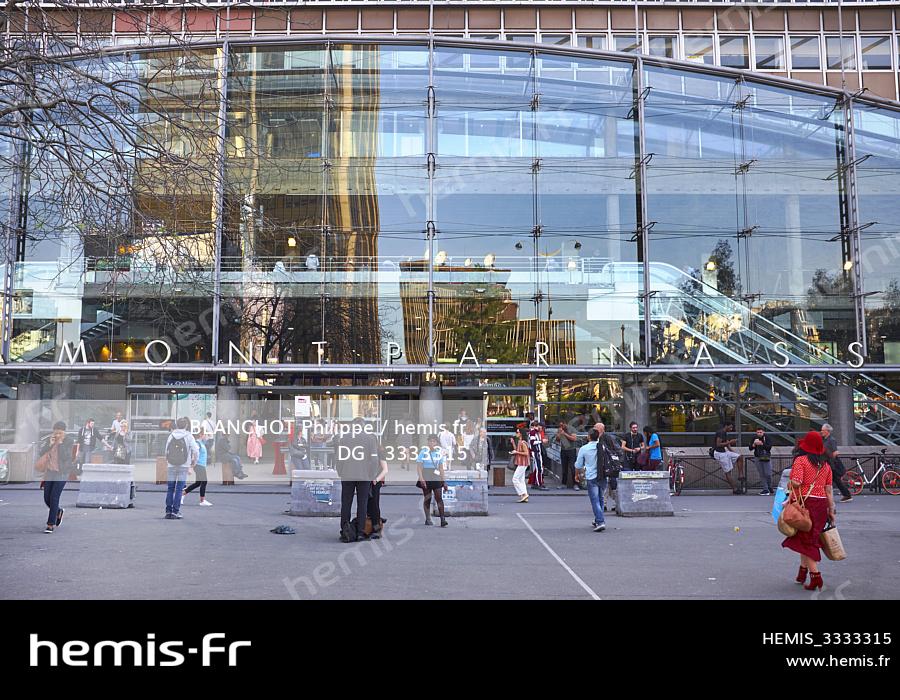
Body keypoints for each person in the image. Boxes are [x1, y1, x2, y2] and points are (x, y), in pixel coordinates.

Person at [782, 430, 836, 591]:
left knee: (807, 541)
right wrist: (831, 510)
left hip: (805, 504)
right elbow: (829, 490)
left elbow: (797, 482)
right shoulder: (826, 465)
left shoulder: (801, 460)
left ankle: (816, 577)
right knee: (807, 538)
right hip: (821, 505)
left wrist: (790, 482)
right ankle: (802, 573)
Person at [335, 417, 380, 542]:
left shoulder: (344, 438)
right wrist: (372, 474)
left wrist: (340, 471)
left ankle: (345, 530)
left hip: (347, 475)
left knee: (346, 503)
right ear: (363, 426)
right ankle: (360, 532)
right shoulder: (370, 439)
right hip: (364, 476)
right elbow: (374, 460)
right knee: (362, 504)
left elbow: (339, 457)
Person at [37, 421, 75, 533]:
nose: (57, 435)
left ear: (64, 432)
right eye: (56, 432)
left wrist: (60, 443)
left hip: (62, 473)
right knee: (47, 498)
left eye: (60, 433)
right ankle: (58, 511)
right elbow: (41, 453)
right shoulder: (51, 439)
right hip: (50, 472)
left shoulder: (68, 441)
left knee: (54, 497)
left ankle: (50, 524)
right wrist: (50, 444)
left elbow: (66, 456)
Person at [164, 417, 199, 520]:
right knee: (179, 489)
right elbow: (196, 450)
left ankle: (168, 511)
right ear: (186, 425)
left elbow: (166, 451)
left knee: (170, 488)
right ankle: (175, 512)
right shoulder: (189, 436)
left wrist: (168, 461)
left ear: (177, 425)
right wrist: (194, 462)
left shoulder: (171, 435)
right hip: (183, 465)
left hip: (171, 465)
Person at [574, 429, 606, 532]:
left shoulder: (584, 449)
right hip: (603, 475)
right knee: (600, 498)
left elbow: (578, 464)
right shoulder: (602, 447)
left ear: (589, 437)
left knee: (595, 500)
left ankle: (600, 521)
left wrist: (577, 475)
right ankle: (598, 519)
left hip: (591, 476)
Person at [416, 434, 449, 526]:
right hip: (426, 474)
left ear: (436, 443)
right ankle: (428, 518)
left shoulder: (439, 453)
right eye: (430, 441)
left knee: (439, 497)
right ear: (428, 442)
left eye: (434, 441)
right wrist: (421, 478)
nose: (431, 443)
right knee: (427, 498)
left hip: (436, 476)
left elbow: (441, 468)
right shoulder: (423, 452)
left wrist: (444, 481)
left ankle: (442, 519)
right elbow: (419, 467)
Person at [821, 423, 852, 503]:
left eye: (823, 430)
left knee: (830, 480)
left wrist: (831, 459)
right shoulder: (824, 440)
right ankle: (846, 495)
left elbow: (836, 452)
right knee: (836, 480)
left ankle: (846, 495)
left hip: (832, 464)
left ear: (827, 431)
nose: (821, 432)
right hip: (828, 463)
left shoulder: (831, 440)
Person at [713, 421, 745, 494]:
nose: (731, 429)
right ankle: (735, 489)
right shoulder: (720, 433)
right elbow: (718, 444)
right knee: (728, 472)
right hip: (719, 453)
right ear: (726, 426)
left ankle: (741, 475)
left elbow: (727, 444)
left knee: (739, 456)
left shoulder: (724, 433)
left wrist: (732, 451)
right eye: (730, 427)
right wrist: (730, 442)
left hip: (724, 452)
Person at [183, 430, 212, 506]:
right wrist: (191, 467)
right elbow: (194, 455)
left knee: (198, 483)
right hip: (198, 465)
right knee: (204, 481)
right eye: (205, 434)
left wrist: (209, 436)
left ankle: (183, 494)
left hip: (201, 465)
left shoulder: (202, 443)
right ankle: (202, 501)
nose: (206, 436)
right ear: (201, 435)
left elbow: (209, 440)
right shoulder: (197, 443)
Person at [749, 427, 774, 496]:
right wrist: (754, 444)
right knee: (762, 473)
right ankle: (765, 489)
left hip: (766, 457)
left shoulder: (767, 437)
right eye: (758, 432)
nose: (759, 434)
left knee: (768, 473)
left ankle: (769, 486)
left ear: (763, 432)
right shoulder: (754, 438)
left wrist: (761, 444)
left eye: (760, 432)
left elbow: (769, 447)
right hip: (757, 457)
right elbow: (750, 448)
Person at [555, 421, 579, 490]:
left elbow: (574, 439)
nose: (561, 427)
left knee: (572, 467)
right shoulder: (560, 429)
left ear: (565, 424)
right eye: (560, 425)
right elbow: (557, 440)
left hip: (571, 450)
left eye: (562, 425)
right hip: (563, 450)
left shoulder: (571, 429)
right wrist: (558, 435)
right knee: (564, 468)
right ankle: (564, 483)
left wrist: (564, 434)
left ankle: (575, 483)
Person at [511, 427, 531, 504]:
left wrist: (516, 452)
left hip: (523, 463)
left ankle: (523, 494)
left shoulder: (523, 442)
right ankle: (524, 496)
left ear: (521, 434)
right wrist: (513, 443)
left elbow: (526, 453)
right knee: (521, 480)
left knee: (515, 479)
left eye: (517, 432)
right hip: (521, 462)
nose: (516, 433)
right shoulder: (520, 441)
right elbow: (517, 450)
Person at [528, 419, 548, 490]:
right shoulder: (533, 432)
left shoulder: (536, 432)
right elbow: (532, 442)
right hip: (535, 452)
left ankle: (535, 483)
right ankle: (539, 484)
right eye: (541, 427)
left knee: (538, 468)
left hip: (537, 452)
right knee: (539, 468)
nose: (542, 429)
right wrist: (541, 441)